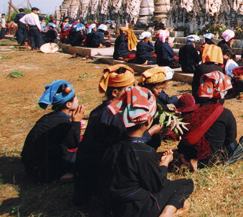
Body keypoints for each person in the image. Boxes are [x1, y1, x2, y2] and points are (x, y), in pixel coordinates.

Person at [100, 86, 193, 217]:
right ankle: (168, 213)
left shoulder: (112, 145)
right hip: (139, 208)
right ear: (149, 121)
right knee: (185, 183)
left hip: (114, 207)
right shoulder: (144, 152)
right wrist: (164, 164)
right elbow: (157, 185)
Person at [73, 65, 160, 205]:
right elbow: (126, 148)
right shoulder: (115, 118)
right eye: (130, 88)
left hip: (87, 172)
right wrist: (150, 132)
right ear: (115, 92)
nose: (134, 91)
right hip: (100, 176)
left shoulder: (99, 111)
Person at [21, 80, 86, 183]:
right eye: (76, 99)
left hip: (31, 166)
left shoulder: (50, 118)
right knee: (84, 156)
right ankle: (66, 174)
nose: (78, 102)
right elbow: (74, 144)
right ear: (68, 104)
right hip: (42, 171)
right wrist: (76, 123)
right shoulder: (62, 123)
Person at [177, 91, 237, 171]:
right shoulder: (225, 113)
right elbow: (231, 138)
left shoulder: (191, 114)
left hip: (189, 152)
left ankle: (184, 159)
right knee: (233, 143)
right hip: (212, 156)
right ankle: (199, 162)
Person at [140, 67, 179, 149]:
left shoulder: (155, 96)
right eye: (157, 88)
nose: (159, 91)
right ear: (148, 87)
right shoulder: (145, 99)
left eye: (161, 88)